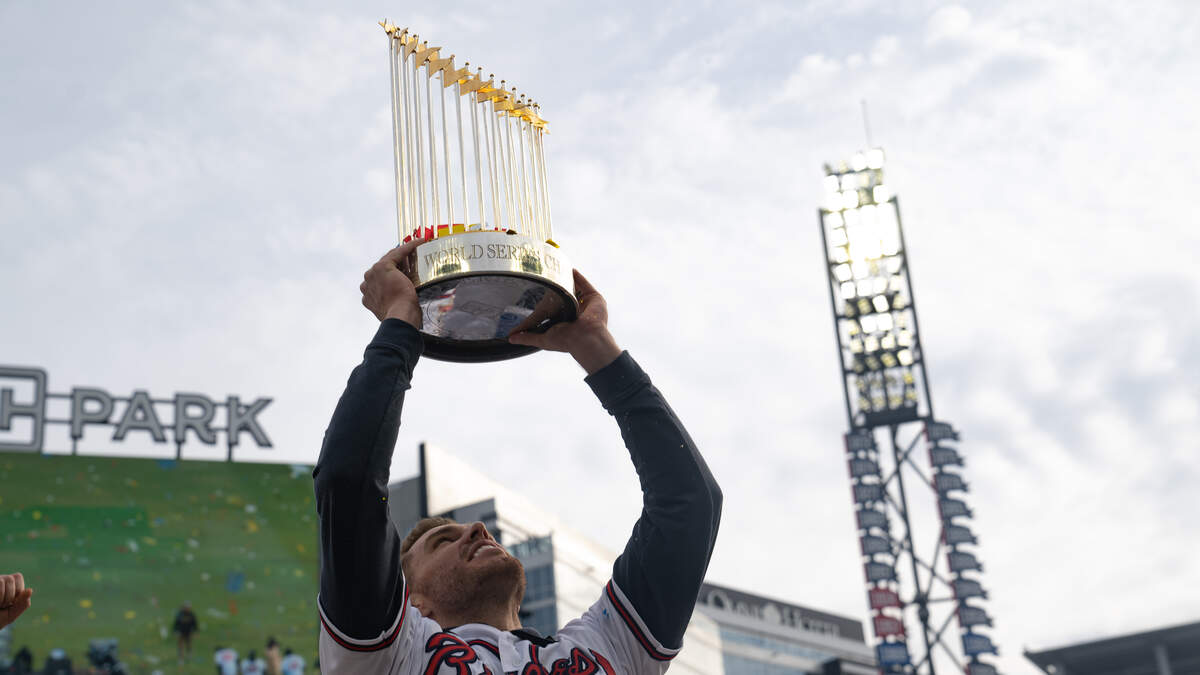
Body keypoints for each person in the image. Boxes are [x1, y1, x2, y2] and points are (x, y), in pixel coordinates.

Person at [314, 240, 722, 673]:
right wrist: (400, 323)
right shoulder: (390, 655)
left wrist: (596, 347)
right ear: (414, 604)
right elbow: (349, 479)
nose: (475, 529)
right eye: (443, 542)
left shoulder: (609, 647)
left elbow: (691, 504)